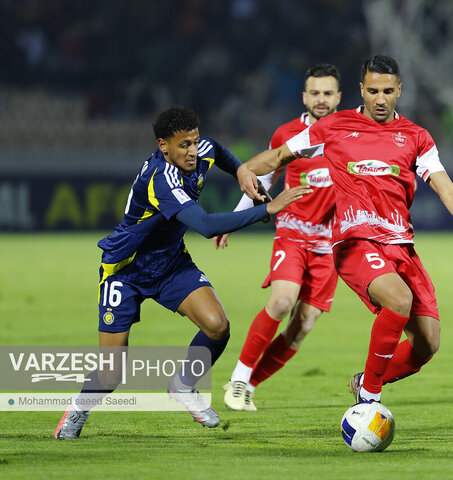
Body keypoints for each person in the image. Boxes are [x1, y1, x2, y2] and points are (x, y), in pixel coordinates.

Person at [236, 55, 453, 405]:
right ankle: (370, 399)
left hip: (401, 246)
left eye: (388, 91)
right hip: (355, 241)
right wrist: (245, 168)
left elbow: (445, 187)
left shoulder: (416, 137)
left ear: (399, 91)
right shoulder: (333, 126)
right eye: (374, 91)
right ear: (362, 90)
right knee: (398, 299)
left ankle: (364, 380)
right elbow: (277, 157)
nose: (380, 100)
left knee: (427, 344)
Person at [54, 106, 310, 439]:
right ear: (163, 146)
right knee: (110, 374)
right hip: (126, 269)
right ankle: (78, 410)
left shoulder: (201, 150)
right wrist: (267, 208)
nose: (192, 151)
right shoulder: (160, 179)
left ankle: (183, 385)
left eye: (194, 141)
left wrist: (241, 171)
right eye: (183, 145)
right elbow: (204, 225)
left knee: (218, 327)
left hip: (171, 262)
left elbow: (215, 149)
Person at [216, 64, 342, 411]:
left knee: (301, 327)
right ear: (304, 97)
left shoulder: (350, 134)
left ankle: (248, 386)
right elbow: (265, 181)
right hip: (293, 232)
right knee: (284, 299)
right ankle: (240, 375)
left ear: (339, 97)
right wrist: (234, 220)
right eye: (314, 93)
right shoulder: (288, 133)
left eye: (327, 93)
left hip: (330, 245)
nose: (321, 99)